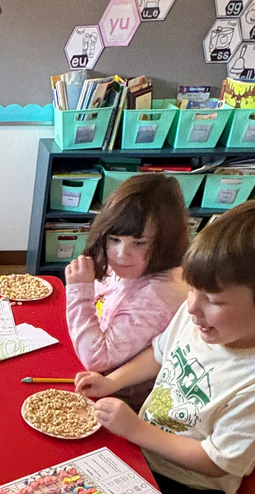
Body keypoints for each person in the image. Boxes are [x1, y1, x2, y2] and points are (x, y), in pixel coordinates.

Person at [75, 200, 255, 494]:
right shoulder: (200, 315)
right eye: (192, 289)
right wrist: (113, 382)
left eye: (213, 299)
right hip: (143, 452)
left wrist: (136, 429)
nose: (192, 307)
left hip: (190, 490)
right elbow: (158, 352)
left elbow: (216, 462)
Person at [65, 172, 189, 407]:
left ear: (165, 244)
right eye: (114, 239)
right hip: (103, 375)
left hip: (126, 400)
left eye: (139, 243)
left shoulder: (159, 295)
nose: (122, 254)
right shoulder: (132, 268)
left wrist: (80, 294)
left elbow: (97, 359)